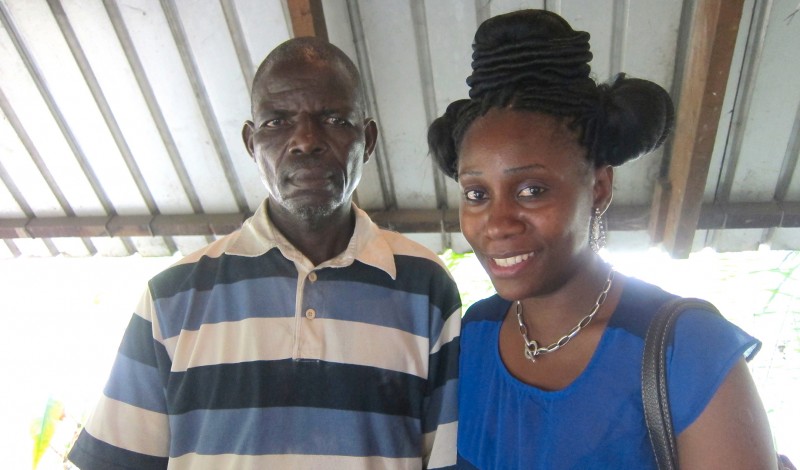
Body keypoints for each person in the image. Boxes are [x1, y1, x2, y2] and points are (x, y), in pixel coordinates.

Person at [68, 37, 461, 469]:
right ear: (251, 144)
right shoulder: (173, 298)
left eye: (332, 118)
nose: (305, 141)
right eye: (277, 123)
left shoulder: (425, 288)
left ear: (366, 140)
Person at [427, 9, 781, 470]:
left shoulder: (685, 351)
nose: (497, 223)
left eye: (532, 190)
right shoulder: (475, 334)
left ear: (599, 187)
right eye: (477, 193)